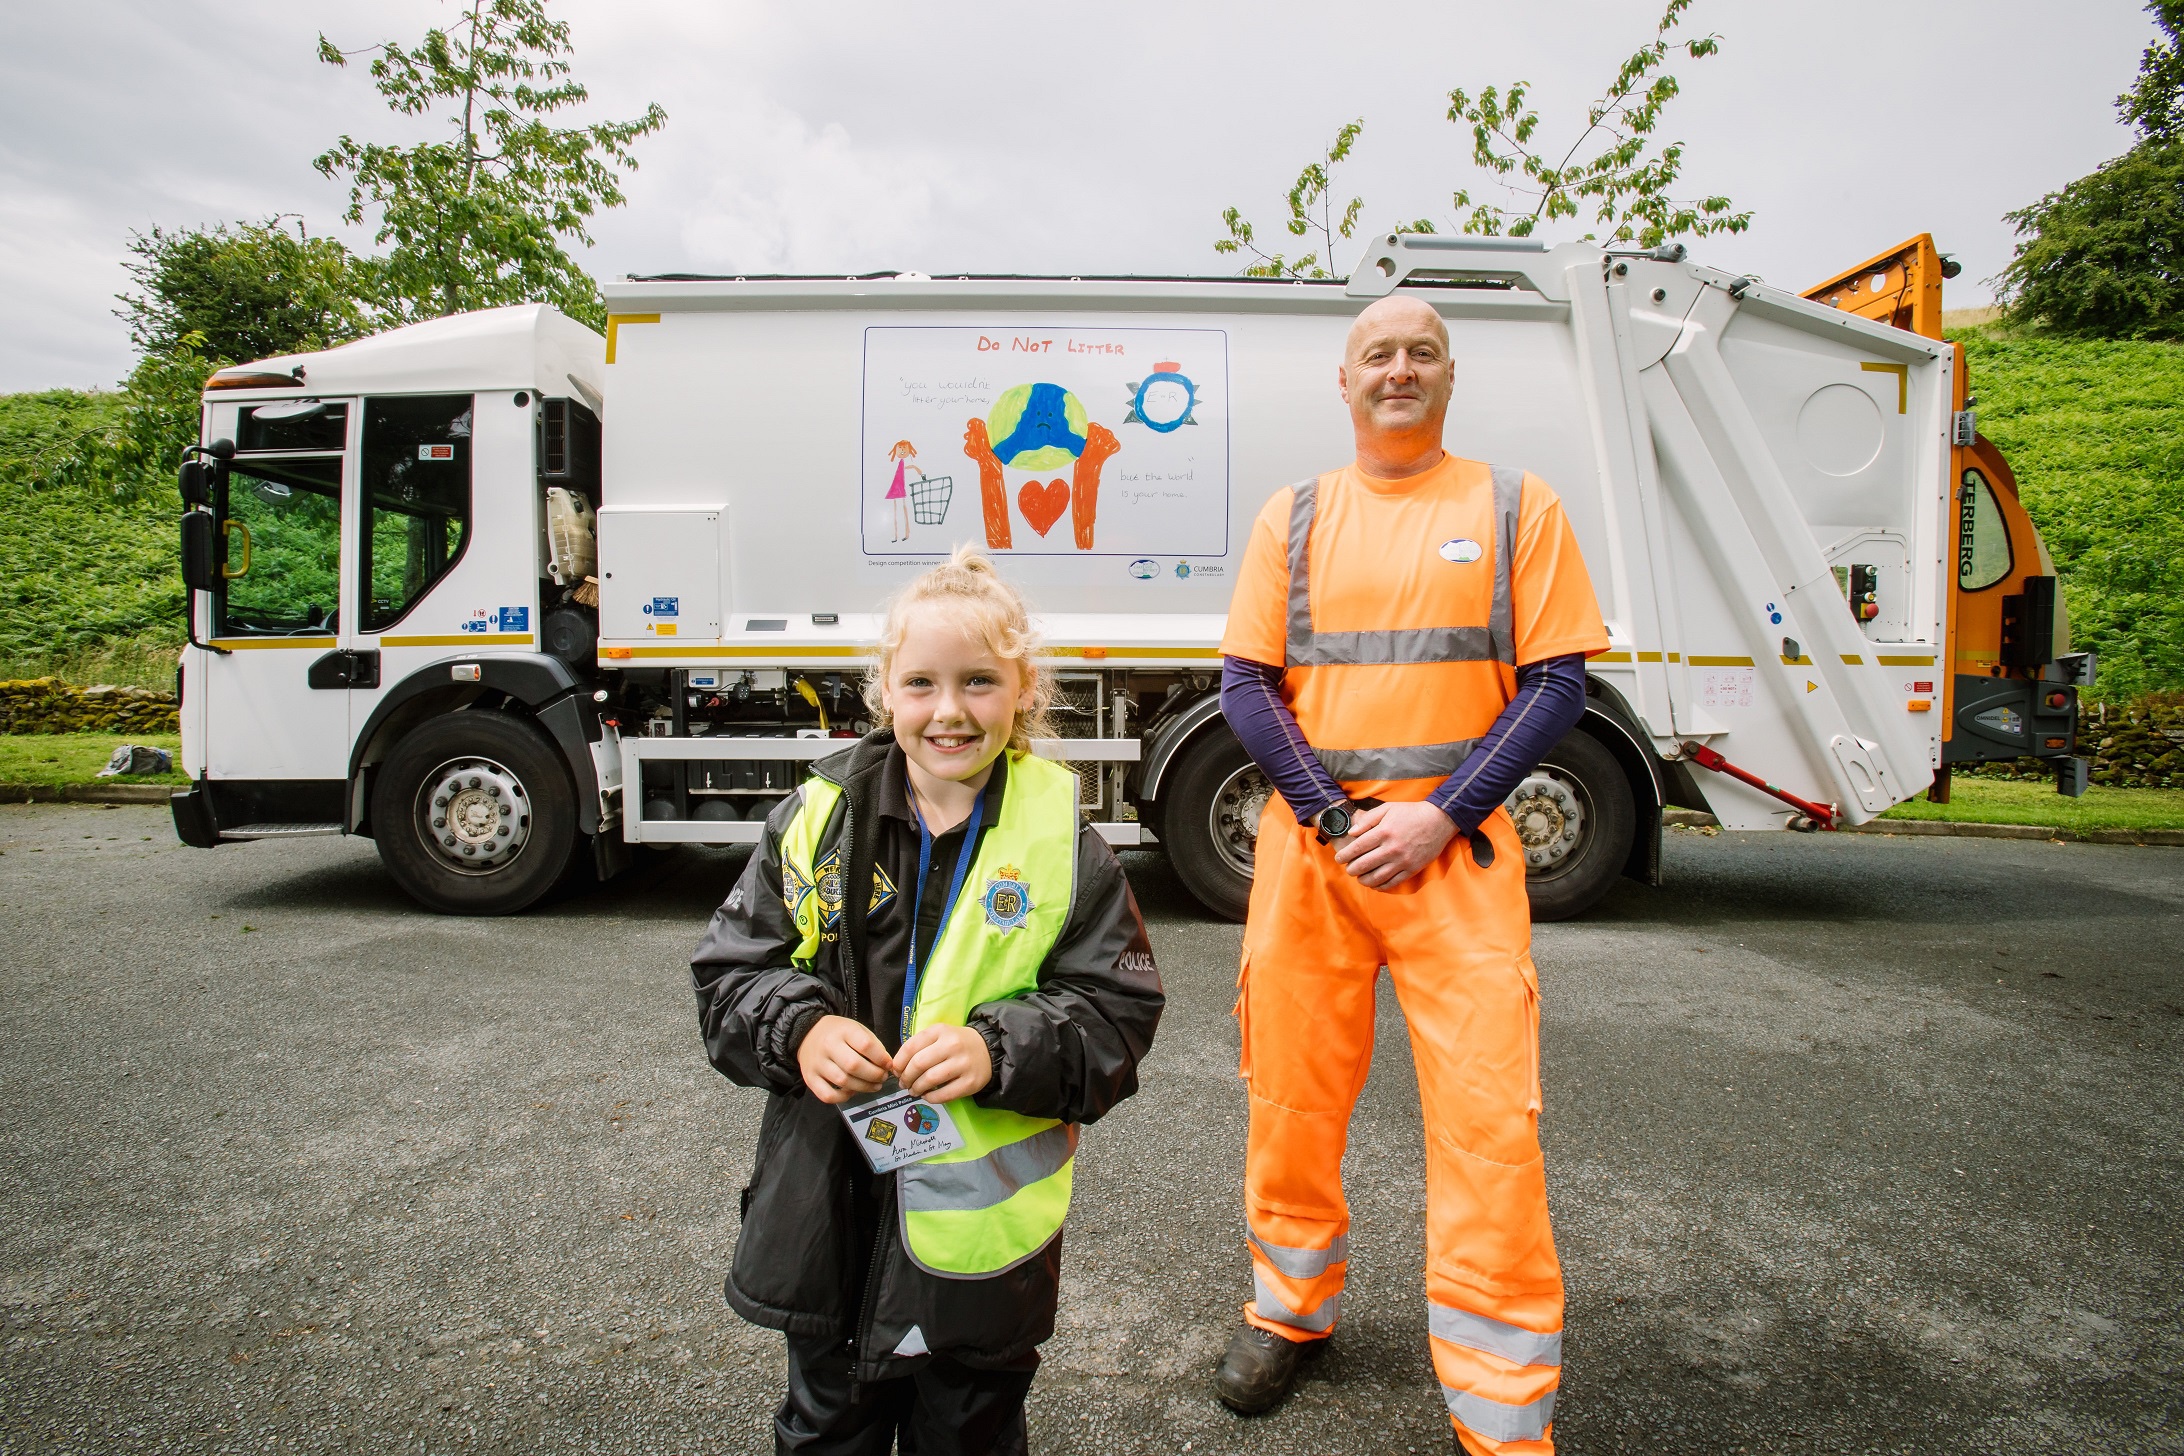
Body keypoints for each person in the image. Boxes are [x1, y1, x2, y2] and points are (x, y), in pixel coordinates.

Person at [1210, 294, 1608, 1454]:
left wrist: (1439, 817)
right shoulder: (1291, 515)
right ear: (1345, 381)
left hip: (1458, 859)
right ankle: (1288, 1311)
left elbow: (1556, 686)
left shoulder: (1516, 505)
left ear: (1449, 377)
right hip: (1315, 859)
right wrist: (1339, 820)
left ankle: (1500, 1399)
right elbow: (1246, 685)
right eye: (1377, 353)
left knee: (1491, 1125)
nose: (1399, 369)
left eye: (1420, 353)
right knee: (1290, 1098)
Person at [691, 545, 1164, 1456]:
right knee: (828, 1427)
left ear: (1023, 690)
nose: (950, 711)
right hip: (829, 1218)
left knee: (972, 1430)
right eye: (922, 683)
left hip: (981, 1256)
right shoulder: (817, 818)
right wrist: (800, 1028)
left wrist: (1001, 1050)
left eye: (979, 682)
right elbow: (727, 975)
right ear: (885, 692)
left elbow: (1118, 1012)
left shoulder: (1064, 841)